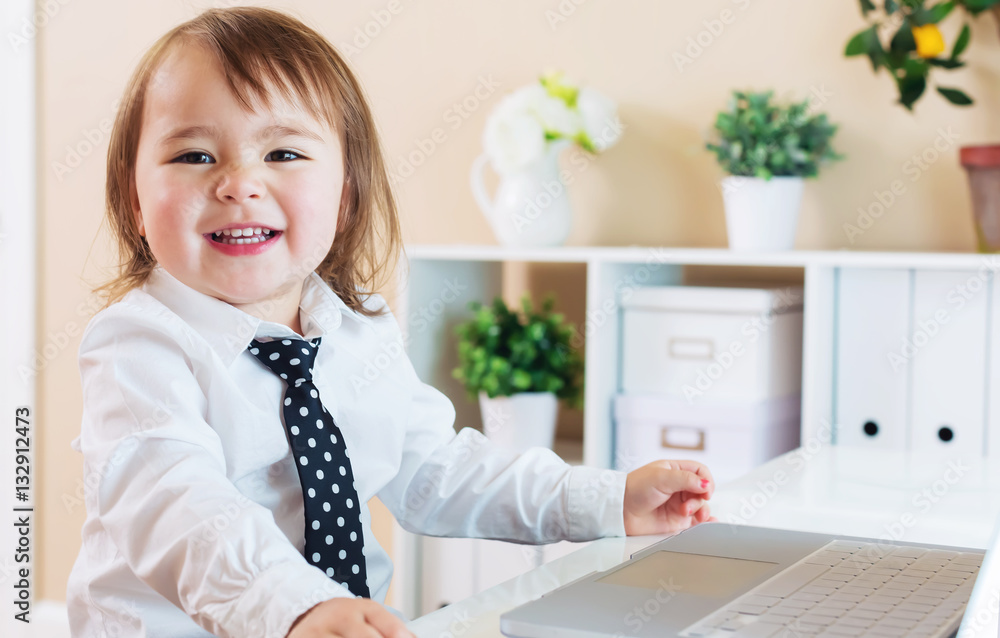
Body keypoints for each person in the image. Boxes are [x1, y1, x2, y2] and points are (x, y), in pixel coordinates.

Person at [66, 7, 716, 638]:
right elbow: (178, 506)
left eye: (284, 153)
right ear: (135, 198)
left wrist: (601, 500)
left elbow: (441, 471)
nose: (239, 183)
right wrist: (292, 607)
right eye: (194, 157)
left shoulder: (360, 333)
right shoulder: (138, 347)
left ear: (345, 196)